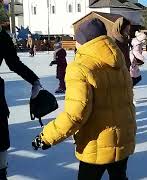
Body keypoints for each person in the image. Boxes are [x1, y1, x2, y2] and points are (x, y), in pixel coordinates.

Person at [31, 18, 136, 180]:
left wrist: (46, 137)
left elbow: (75, 115)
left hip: (97, 142)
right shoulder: (118, 61)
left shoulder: (80, 67)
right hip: (123, 137)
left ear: (83, 41)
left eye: (77, 39)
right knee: (119, 176)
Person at [0, 24, 42, 180]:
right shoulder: (2, 36)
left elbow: (13, 63)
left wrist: (34, 80)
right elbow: (14, 63)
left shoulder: (2, 36)